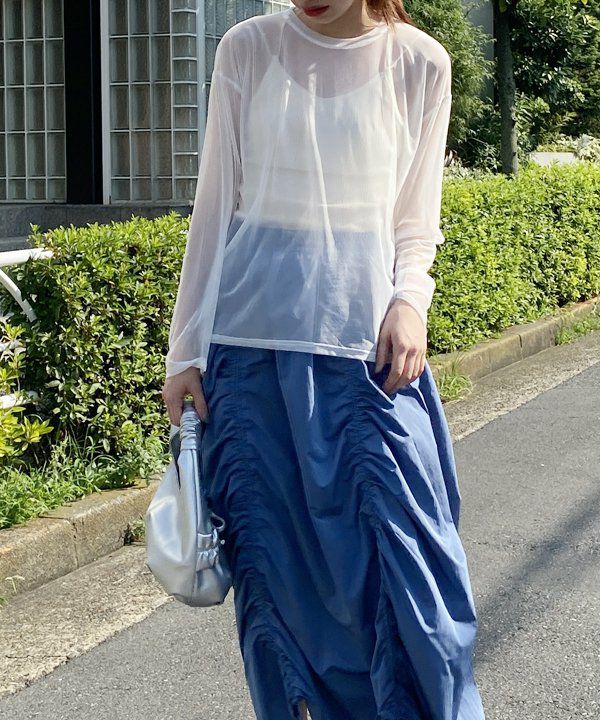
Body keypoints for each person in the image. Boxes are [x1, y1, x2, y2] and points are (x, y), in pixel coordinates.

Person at [162, 1, 486, 718]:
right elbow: (213, 207)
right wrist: (185, 352)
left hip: (367, 358)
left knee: (417, 584)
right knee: (281, 592)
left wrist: (411, 302)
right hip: (251, 364)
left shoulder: (420, 61)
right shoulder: (246, 47)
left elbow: (416, 220)